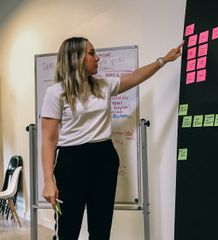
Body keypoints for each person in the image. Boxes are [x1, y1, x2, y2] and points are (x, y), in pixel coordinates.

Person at [41, 36, 183, 240]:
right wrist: (48, 181)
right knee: (68, 229)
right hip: (71, 162)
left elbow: (136, 76)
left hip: (104, 158)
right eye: (91, 53)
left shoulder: (103, 86)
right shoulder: (56, 93)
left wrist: (164, 60)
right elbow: (48, 139)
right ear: (76, 58)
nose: (97, 58)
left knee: (101, 229)